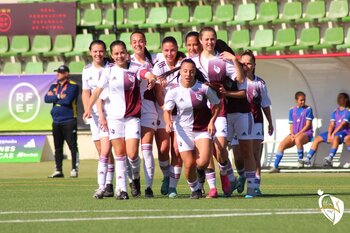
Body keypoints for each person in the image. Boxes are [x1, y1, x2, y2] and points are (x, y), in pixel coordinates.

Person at [83, 40, 156, 200]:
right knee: (120, 154)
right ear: (112, 55)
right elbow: (97, 91)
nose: (119, 56)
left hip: (132, 119)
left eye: (122, 52)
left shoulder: (135, 69)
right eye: (116, 54)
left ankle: (135, 177)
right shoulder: (108, 71)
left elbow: (145, 73)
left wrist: (151, 76)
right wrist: (89, 107)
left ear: (127, 53)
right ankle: (121, 190)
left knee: (132, 155)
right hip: (114, 119)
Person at [192, 27, 242, 198]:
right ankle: (214, 187)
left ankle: (228, 177)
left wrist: (234, 59)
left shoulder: (222, 60)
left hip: (219, 109)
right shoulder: (193, 62)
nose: (210, 42)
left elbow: (240, 78)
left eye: (212, 39)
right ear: (200, 40)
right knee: (207, 149)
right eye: (206, 39)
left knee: (220, 148)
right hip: (199, 112)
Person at [164, 59, 221, 199]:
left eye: (191, 71)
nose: (188, 74)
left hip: (202, 129)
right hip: (183, 131)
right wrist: (168, 122)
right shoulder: (173, 92)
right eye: (185, 71)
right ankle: (195, 189)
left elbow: (217, 104)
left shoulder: (203, 88)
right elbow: (167, 111)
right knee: (189, 165)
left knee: (202, 162)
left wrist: (212, 121)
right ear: (180, 72)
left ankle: (201, 174)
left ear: (195, 72)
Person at [81, 40, 115, 198]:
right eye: (95, 51)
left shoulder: (111, 67)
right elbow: (86, 92)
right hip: (94, 115)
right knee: (101, 150)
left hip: (110, 112)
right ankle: (109, 183)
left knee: (107, 150)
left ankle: (108, 184)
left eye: (101, 51)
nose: (98, 54)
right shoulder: (87, 70)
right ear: (90, 52)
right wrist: (87, 109)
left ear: (105, 52)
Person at [152, 36, 184, 198]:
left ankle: (172, 186)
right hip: (163, 112)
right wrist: (167, 112)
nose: (169, 53)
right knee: (163, 149)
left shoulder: (182, 65)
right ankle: (166, 176)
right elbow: (158, 93)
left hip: (181, 115)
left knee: (177, 151)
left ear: (177, 48)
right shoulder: (159, 67)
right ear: (162, 51)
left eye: (172, 50)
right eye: (166, 50)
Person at [242, 50, 273, 195]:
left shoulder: (259, 83)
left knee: (254, 153)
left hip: (256, 120)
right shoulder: (236, 81)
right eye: (243, 63)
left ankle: (255, 184)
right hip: (240, 121)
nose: (246, 66)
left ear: (254, 65)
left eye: (249, 63)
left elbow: (265, 104)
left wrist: (270, 123)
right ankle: (243, 178)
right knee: (242, 155)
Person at [129, 31, 156, 198]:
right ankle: (134, 180)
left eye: (140, 41)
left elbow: (173, 57)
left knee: (146, 149)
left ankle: (148, 187)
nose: (138, 44)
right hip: (130, 109)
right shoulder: (127, 61)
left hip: (148, 108)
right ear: (131, 44)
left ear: (145, 42)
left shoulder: (154, 59)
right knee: (130, 152)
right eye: (134, 42)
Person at [45, 65, 79, 178]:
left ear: (66, 74)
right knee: (58, 147)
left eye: (60, 72)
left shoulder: (73, 86)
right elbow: (46, 98)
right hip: (56, 121)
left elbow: (68, 100)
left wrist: (55, 96)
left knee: (72, 146)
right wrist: (59, 96)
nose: (58, 74)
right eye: (57, 72)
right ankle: (58, 170)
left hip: (69, 120)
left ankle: (74, 169)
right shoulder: (54, 85)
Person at [270, 91, 314, 173]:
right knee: (281, 145)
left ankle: (300, 162)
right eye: (301, 100)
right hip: (295, 134)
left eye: (304, 100)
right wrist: (292, 134)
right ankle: (275, 166)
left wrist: (297, 134)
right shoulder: (291, 110)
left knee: (298, 139)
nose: (303, 102)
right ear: (296, 100)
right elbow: (291, 125)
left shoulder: (308, 109)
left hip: (306, 134)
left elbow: (308, 125)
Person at [302, 93, 349, 167]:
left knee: (336, 138)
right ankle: (308, 158)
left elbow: (343, 124)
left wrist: (333, 134)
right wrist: (330, 134)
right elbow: (331, 124)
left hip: (344, 132)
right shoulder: (335, 111)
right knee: (317, 138)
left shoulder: (348, 111)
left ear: (346, 99)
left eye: (341, 98)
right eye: (338, 97)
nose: (338, 99)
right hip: (334, 132)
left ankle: (330, 158)